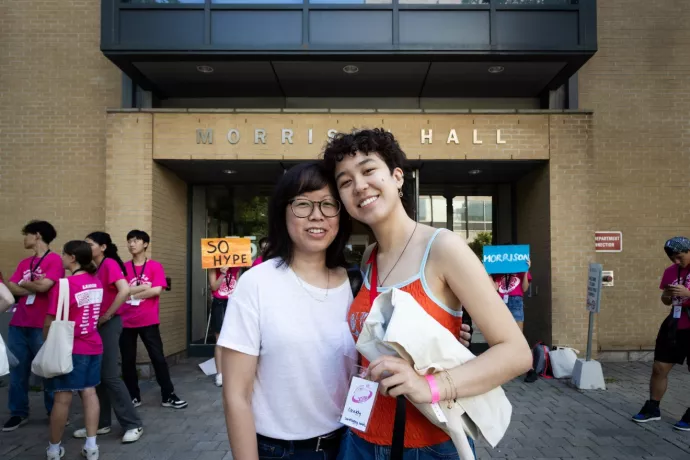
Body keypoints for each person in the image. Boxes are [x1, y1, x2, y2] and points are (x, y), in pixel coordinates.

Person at [323, 129, 532, 460]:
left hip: (428, 445)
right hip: (360, 438)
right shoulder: (369, 257)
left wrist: (429, 387)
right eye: (345, 181)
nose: (359, 185)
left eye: (367, 170)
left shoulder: (443, 247)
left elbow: (517, 353)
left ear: (397, 177)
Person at [220, 162, 357, 460]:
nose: (317, 215)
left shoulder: (357, 284)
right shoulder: (256, 283)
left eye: (328, 204)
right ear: (283, 213)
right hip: (280, 451)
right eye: (303, 204)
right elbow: (235, 395)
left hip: (351, 444)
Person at [70, 232, 144, 443]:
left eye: (89, 243)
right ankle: (101, 423)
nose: (85, 246)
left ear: (102, 247)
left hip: (109, 324)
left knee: (110, 375)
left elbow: (124, 290)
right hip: (95, 325)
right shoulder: (92, 267)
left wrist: (107, 315)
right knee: (97, 376)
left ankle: (133, 424)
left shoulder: (109, 263)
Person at [44, 240, 104, 460]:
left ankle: (53, 449)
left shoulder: (64, 285)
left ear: (72, 257)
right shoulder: (95, 282)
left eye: (63, 254)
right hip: (93, 344)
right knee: (89, 392)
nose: (61, 257)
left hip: (70, 347)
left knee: (62, 398)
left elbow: (50, 320)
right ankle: (91, 446)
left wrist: (46, 344)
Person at [3, 220, 64, 432]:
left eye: (26, 234)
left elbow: (45, 285)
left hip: (42, 325)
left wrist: (24, 285)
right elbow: (10, 288)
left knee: (47, 371)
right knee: (17, 371)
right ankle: (18, 413)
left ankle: (53, 411)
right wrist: (32, 287)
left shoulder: (55, 260)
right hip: (18, 324)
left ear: (37, 235)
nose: (24, 239)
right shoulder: (24, 263)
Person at [118, 229, 188, 409]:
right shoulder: (123, 267)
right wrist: (143, 288)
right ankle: (133, 396)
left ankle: (168, 395)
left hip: (148, 320)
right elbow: (121, 292)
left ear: (145, 244)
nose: (131, 244)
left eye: (135, 240)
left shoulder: (155, 266)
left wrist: (131, 293)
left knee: (158, 358)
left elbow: (156, 290)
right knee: (127, 360)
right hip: (126, 320)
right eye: (129, 241)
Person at [632, 236, 690, 431]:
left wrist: (688, 294)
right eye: (672, 258)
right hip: (674, 324)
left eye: (679, 257)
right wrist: (666, 295)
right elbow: (666, 300)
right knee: (659, 367)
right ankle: (653, 407)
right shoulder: (670, 272)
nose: (676, 261)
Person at [208, 265, 241, 387]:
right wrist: (222, 274)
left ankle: (233, 372)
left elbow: (237, 286)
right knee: (220, 339)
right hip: (219, 303)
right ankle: (220, 374)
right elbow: (213, 286)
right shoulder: (213, 266)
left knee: (235, 339)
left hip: (233, 302)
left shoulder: (236, 266)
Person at [492, 258, 532, 332]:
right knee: (502, 330)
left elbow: (525, 289)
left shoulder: (520, 270)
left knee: (518, 331)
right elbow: (493, 287)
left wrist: (526, 270)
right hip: (501, 301)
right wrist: (487, 271)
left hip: (516, 300)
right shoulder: (498, 272)